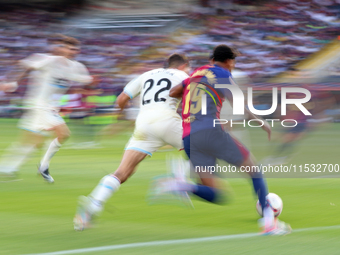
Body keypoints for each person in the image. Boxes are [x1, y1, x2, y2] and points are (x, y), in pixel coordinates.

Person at [163, 44, 291, 235]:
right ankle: (269, 224)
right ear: (229, 61)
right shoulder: (223, 74)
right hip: (211, 133)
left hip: (190, 137)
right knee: (255, 171)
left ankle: (182, 185)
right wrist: (261, 122)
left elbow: (173, 92)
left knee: (216, 194)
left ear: (211, 60)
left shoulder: (195, 75)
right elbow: (240, 106)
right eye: (233, 62)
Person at [73, 53, 190, 231]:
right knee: (201, 147)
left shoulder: (147, 75)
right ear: (183, 65)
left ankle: (93, 204)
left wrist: (119, 117)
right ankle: (177, 181)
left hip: (143, 125)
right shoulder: (183, 76)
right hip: (167, 120)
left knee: (122, 172)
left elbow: (121, 99)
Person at [0, 36, 97, 183]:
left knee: (32, 142)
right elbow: (26, 65)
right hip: (40, 104)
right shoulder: (50, 60)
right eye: (69, 48)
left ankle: (7, 168)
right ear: (63, 49)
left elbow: (85, 81)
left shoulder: (77, 66)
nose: (73, 51)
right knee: (63, 133)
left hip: (49, 107)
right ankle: (43, 166)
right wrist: (13, 82)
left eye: (75, 49)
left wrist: (91, 84)